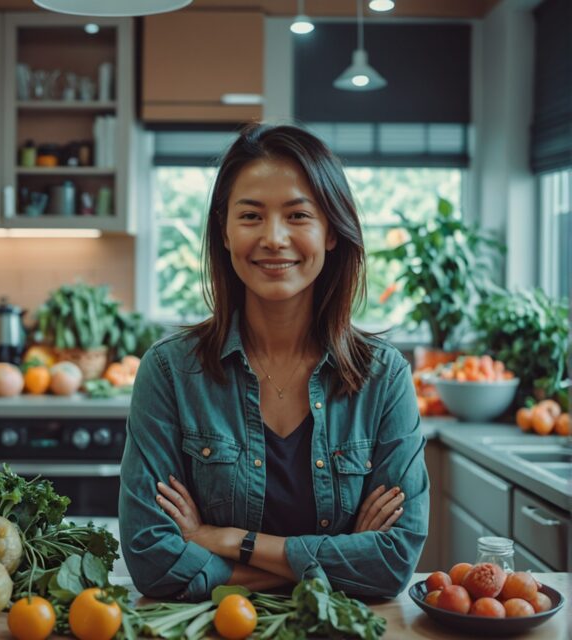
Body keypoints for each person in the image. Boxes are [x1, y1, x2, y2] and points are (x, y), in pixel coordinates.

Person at [118, 123, 429, 602]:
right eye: (251, 216)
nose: (274, 238)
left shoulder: (383, 377)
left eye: (298, 215)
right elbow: (152, 562)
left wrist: (226, 542)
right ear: (224, 231)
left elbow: (391, 566)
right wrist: (340, 557)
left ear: (330, 232)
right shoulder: (169, 371)